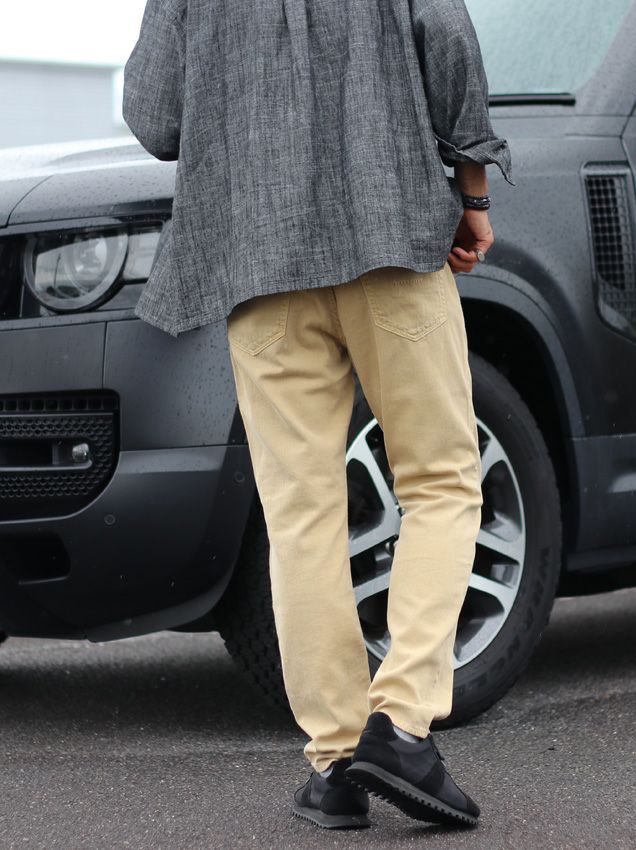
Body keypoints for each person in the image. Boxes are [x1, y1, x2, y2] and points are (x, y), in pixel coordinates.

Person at [123, 0, 514, 831]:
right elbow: (448, 43)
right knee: (442, 480)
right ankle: (401, 726)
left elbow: (154, 118)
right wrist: (472, 188)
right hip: (391, 237)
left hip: (260, 262)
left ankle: (336, 763)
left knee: (300, 509)